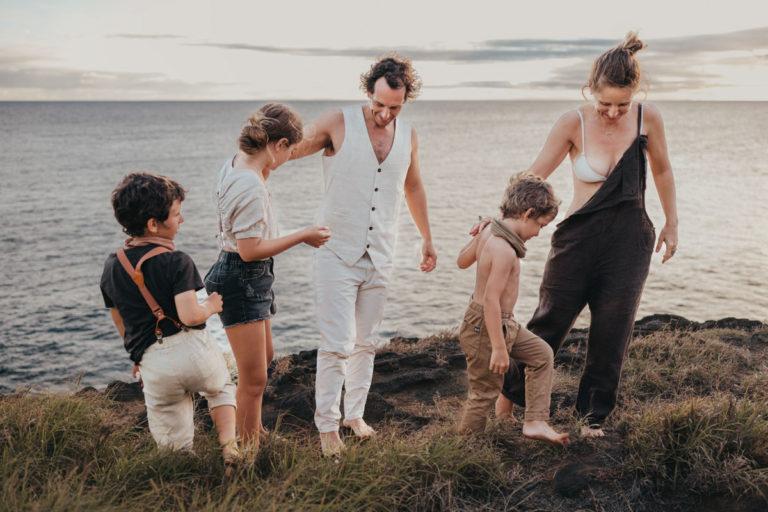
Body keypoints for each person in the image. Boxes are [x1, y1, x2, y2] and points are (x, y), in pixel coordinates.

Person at [494, 32, 679, 437]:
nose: (613, 112)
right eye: (605, 104)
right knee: (548, 322)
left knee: (612, 333)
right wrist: (499, 219)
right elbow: (534, 174)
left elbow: (662, 171)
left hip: (630, 241)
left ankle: (591, 419)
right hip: (577, 239)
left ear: (636, 94)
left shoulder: (650, 118)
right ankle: (505, 405)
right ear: (589, 91)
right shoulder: (572, 122)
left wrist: (671, 221)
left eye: (622, 104)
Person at [290, 54, 437, 456]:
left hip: (380, 254)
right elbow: (290, 150)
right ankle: (327, 428)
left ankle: (354, 414)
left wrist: (427, 238)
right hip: (335, 251)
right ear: (368, 91)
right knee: (337, 342)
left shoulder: (409, 135)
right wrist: (256, 163)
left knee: (366, 342)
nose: (386, 113)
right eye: (379, 104)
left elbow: (414, 186)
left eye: (395, 106)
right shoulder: (338, 122)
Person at [204, 103, 331, 449]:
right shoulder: (250, 187)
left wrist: (270, 166)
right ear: (278, 145)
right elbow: (249, 250)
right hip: (241, 274)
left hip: (248, 275)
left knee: (265, 357)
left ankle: (254, 429)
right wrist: (303, 235)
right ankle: (247, 449)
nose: (291, 156)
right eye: (290, 149)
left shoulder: (238, 164)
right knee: (254, 378)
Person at [100, 172, 239, 466]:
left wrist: (136, 353)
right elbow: (189, 315)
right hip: (193, 353)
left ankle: (182, 474)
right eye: (176, 214)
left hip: (153, 363)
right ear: (153, 224)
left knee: (173, 441)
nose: (182, 219)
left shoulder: (112, 267)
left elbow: (119, 319)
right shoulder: (177, 261)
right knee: (221, 386)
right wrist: (212, 305)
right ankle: (229, 447)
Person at [456, 174, 569, 445]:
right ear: (528, 213)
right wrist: (498, 347)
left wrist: (480, 233)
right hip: (487, 325)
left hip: (504, 324)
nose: (539, 232)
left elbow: (462, 261)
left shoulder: (490, 232)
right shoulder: (504, 249)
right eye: (540, 225)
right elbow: (491, 301)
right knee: (484, 392)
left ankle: (535, 421)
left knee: (541, 354)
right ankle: (465, 448)